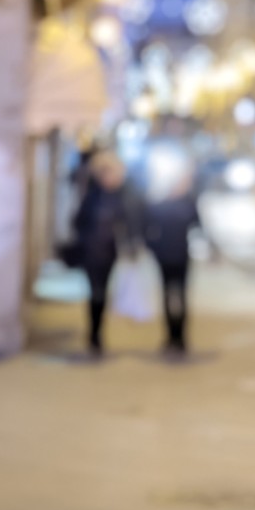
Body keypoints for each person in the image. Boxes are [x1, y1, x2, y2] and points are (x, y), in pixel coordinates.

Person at [70, 150, 137, 356]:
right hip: (92, 252)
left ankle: (98, 333)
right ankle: (94, 335)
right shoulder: (91, 196)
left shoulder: (122, 196)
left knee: (103, 293)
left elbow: (130, 221)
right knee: (95, 292)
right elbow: (77, 221)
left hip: (110, 252)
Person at [141, 163, 199, 353]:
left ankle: (177, 337)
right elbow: (146, 231)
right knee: (173, 295)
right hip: (172, 256)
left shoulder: (171, 204)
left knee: (174, 296)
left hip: (174, 255)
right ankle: (175, 337)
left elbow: (197, 227)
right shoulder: (175, 205)